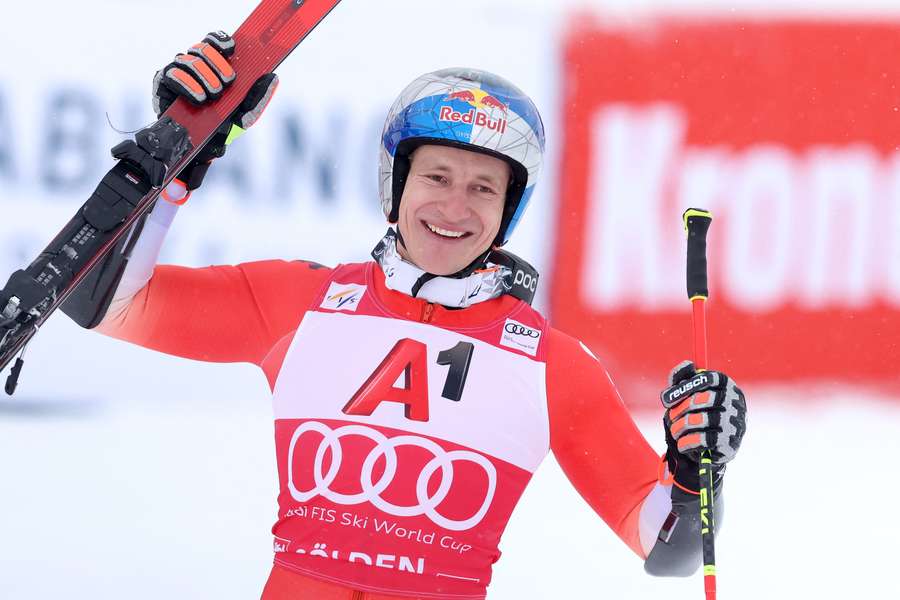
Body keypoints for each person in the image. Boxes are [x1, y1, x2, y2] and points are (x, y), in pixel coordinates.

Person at [62, 32, 747, 600]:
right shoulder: (299, 304)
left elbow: (665, 549)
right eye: (436, 177)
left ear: (508, 212)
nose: (455, 207)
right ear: (396, 184)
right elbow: (102, 301)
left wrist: (694, 471)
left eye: (484, 188)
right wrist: (177, 158)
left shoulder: (552, 366)